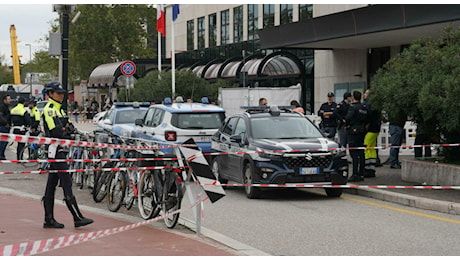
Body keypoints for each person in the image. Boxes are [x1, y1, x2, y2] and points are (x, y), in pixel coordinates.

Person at [42, 82, 94, 229]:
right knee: (66, 182)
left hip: (62, 149)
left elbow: (70, 128)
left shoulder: (61, 110)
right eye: (58, 93)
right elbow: (57, 132)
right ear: (50, 94)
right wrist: (67, 133)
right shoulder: (50, 110)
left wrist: (70, 132)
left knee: (51, 184)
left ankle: (48, 219)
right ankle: (77, 217)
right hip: (56, 150)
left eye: (62, 93)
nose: (61, 95)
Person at [345, 91, 369, 182]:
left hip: (353, 132)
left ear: (353, 97)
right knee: (361, 153)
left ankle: (355, 174)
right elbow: (368, 118)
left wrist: (347, 125)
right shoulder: (364, 107)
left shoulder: (353, 107)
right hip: (362, 131)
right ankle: (361, 173)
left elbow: (348, 118)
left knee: (354, 154)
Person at [362, 89, 381, 178]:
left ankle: (367, 169)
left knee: (366, 148)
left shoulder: (368, 105)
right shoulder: (376, 104)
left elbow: (367, 117)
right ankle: (372, 168)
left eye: (366, 93)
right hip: (376, 129)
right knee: (372, 148)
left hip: (370, 129)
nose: (364, 94)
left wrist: (365, 125)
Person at [0, 94, 12, 160]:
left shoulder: (6, 107)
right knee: (3, 142)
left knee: (5, 141)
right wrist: (6, 123)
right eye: (8, 99)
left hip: (6, 126)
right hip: (3, 126)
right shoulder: (2, 107)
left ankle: (2, 154)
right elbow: (1, 116)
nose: (10, 100)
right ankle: (1, 155)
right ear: (5, 100)